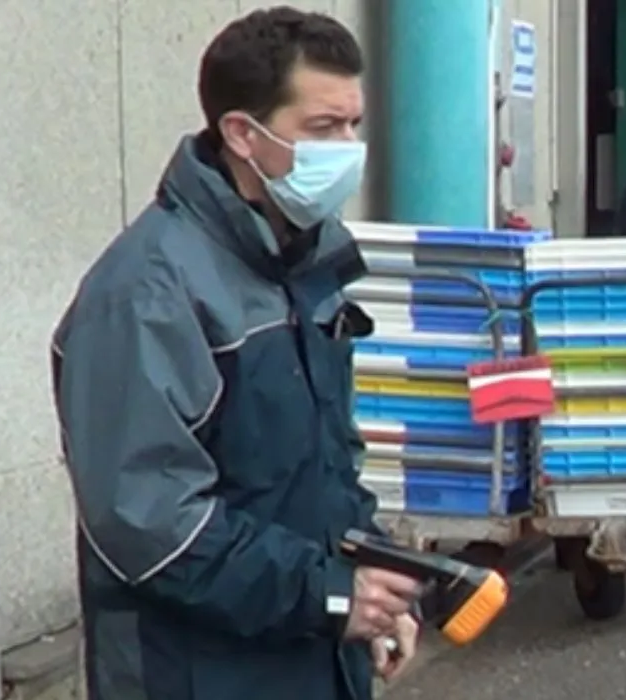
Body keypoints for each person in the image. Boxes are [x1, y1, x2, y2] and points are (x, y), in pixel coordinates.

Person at [49, 9, 423, 698]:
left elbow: (327, 467)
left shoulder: (305, 264)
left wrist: (372, 590)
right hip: (197, 673)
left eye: (353, 124)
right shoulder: (145, 293)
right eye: (323, 127)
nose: (348, 149)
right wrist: (327, 595)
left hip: (309, 658)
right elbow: (150, 522)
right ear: (242, 135)